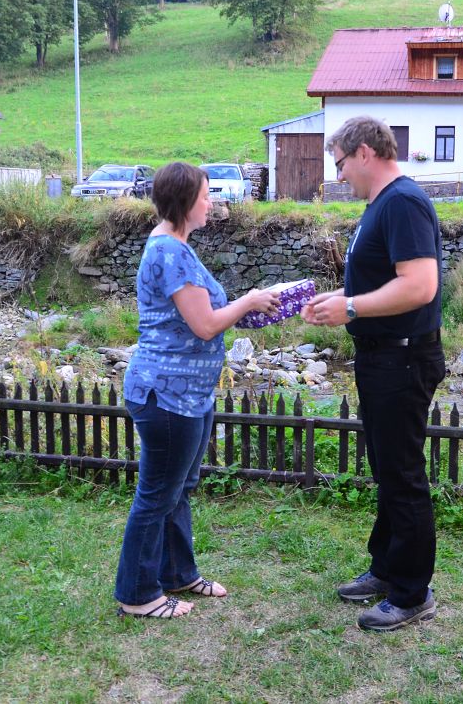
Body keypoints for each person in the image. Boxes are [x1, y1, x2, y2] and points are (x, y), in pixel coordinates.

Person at [115, 162, 280, 620]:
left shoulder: (177, 247)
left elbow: (205, 314)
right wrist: (247, 301)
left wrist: (250, 307)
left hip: (188, 394)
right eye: (206, 195)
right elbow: (205, 325)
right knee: (157, 495)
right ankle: (137, 595)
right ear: (185, 201)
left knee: (178, 489)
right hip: (166, 394)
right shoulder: (170, 251)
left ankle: (178, 573)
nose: (211, 203)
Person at [301, 116, 445, 631]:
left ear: (364, 152)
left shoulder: (402, 202)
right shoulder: (381, 205)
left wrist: (352, 308)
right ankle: (386, 569)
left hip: (402, 358)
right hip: (384, 356)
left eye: (340, 163)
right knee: (387, 469)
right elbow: (386, 280)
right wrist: (341, 300)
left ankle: (412, 593)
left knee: (402, 475)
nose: (339, 175)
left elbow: (420, 285)